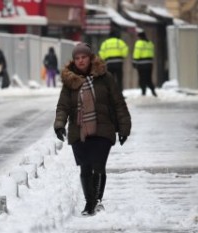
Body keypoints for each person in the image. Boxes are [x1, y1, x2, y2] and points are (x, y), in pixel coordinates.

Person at [54, 42, 132, 216]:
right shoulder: (70, 82)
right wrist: (59, 125)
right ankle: (92, 200)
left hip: (103, 128)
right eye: (77, 58)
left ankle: (91, 204)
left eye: (84, 57)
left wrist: (124, 128)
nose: (81, 61)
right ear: (74, 61)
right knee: (85, 167)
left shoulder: (105, 78)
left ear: (90, 58)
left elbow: (118, 102)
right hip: (79, 129)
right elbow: (63, 106)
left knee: (98, 165)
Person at [133, 31, 157, 97]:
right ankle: (153, 91)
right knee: (149, 78)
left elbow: (137, 53)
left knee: (142, 78)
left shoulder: (139, 43)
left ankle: (143, 92)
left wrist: (134, 62)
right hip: (149, 63)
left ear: (139, 36)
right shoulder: (150, 43)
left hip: (141, 64)